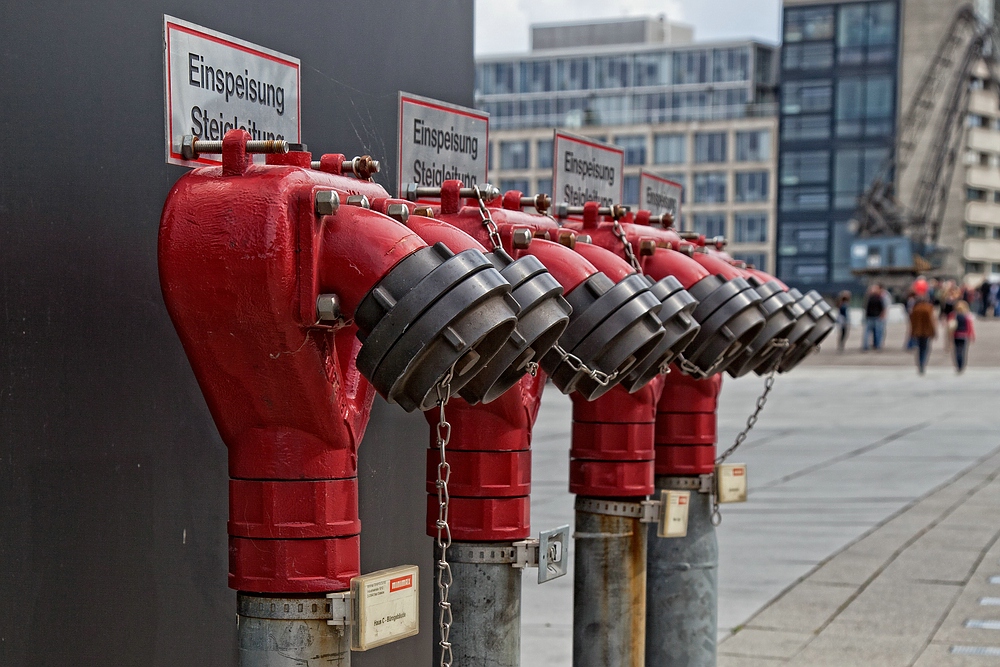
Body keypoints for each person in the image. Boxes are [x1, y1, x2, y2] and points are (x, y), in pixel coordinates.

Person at [909, 295, 936, 375]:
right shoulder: (929, 308)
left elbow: (912, 322)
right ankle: (923, 363)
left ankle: (920, 363)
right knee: (925, 348)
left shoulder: (915, 309)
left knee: (920, 348)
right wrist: (933, 331)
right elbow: (932, 321)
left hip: (918, 331)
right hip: (926, 331)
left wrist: (912, 332)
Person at [951, 300, 976, 373]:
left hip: (956, 335)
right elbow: (969, 327)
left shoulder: (953, 315)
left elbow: (950, 326)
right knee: (963, 351)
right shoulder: (967, 316)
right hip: (964, 335)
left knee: (957, 350)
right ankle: (961, 365)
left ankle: (958, 365)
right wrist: (972, 335)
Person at [863, 284, 886, 351]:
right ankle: (878, 346)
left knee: (867, 333)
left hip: (869, 317)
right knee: (878, 333)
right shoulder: (879, 298)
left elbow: (866, 307)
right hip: (877, 317)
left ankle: (865, 346)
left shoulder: (868, 298)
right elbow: (882, 307)